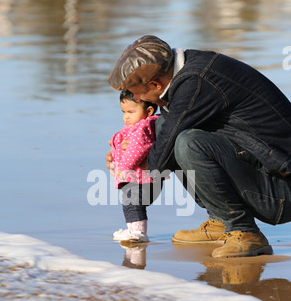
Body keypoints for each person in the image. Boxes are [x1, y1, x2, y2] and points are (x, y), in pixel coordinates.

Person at [106, 35, 291, 258]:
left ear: (155, 84)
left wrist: (130, 165)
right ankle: (221, 220)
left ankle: (244, 231)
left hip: (281, 190)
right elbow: (162, 137)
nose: (139, 100)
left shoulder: (195, 82)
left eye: (139, 95)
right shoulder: (186, 70)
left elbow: (160, 160)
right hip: (267, 174)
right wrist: (125, 150)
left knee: (186, 142)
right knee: (164, 130)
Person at [110, 89, 159, 243]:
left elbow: (138, 148)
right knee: (129, 203)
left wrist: (123, 168)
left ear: (149, 110)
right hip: (135, 176)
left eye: (131, 111)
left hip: (141, 177)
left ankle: (138, 232)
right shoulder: (134, 128)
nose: (126, 116)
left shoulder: (142, 128)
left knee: (133, 202)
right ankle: (132, 230)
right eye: (123, 112)